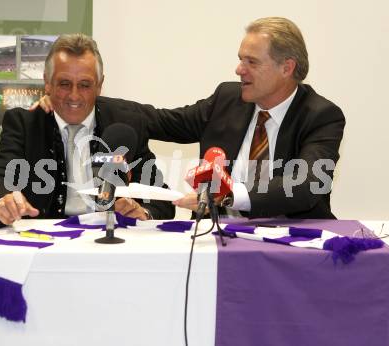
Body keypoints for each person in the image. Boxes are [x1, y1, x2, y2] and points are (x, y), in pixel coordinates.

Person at [36, 17, 345, 219]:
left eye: (251, 61)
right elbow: (159, 120)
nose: (239, 70)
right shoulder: (228, 99)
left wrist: (228, 195)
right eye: (240, 59)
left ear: (287, 68)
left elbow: (306, 185)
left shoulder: (320, 116)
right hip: (218, 241)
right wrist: (77, 99)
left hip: (292, 247)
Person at [0, 33, 174, 228]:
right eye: (64, 84)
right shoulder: (25, 122)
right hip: (45, 243)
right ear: (47, 82)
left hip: (110, 245)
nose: (74, 95)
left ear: (99, 85)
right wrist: (2, 202)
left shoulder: (126, 124)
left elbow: (160, 196)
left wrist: (144, 213)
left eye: (85, 85)